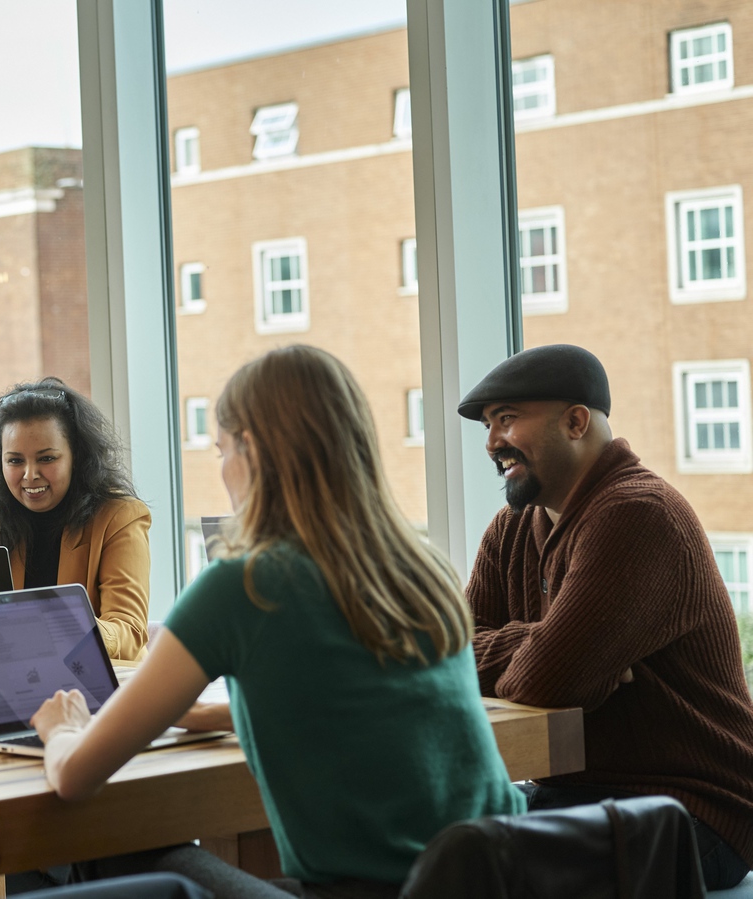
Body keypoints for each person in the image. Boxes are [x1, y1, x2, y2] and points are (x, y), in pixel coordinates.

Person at [30, 346, 524, 899]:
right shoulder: (421, 566)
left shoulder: (244, 586)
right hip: (505, 877)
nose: (221, 470)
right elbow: (356, 707)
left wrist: (64, 730)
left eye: (221, 450)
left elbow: (74, 778)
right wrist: (219, 714)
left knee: (110, 841)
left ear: (253, 450)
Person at [458, 343, 753, 890]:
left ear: (575, 422)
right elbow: (446, 656)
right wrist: (548, 639)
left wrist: (553, 658)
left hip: (692, 815)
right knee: (415, 833)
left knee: (473, 867)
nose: (492, 442)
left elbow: (547, 680)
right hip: (579, 796)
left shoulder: (639, 515)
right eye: (487, 426)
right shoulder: (511, 529)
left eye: (507, 419)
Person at [0, 377, 151, 660]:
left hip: (93, 684)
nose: (29, 474)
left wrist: (58, 626)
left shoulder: (119, 517)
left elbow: (129, 632)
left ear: (78, 458)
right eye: (15, 460)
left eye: (47, 459)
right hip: (8, 675)